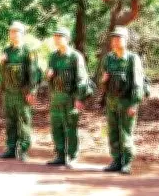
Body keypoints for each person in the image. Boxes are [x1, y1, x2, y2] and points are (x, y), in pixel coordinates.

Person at [99, 26, 145, 175]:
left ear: (126, 40)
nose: (115, 41)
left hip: (126, 102)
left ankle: (126, 162)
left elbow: (138, 83)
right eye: (114, 38)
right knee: (113, 133)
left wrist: (134, 103)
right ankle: (116, 161)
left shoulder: (132, 59)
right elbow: (103, 82)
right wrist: (103, 80)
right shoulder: (108, 59)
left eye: (119, 38)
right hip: (111, 101)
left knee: (125, 133)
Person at [46, 27, 91, 167]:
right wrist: (48, 75)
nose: (56, 39)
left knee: (70, 128)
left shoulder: (75, 56)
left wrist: (80, 98)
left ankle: (72, 156)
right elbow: (49, 77)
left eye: (59, 36)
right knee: (56, 127)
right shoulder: (53, 56)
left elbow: (82, 79)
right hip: (56, 98)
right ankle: (60, 155)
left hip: (70, 98)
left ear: (67, 39)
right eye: (55, 36)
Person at [0, 21, 39, 162]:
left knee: (23, 121)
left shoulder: (28, 52)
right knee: (10, 121)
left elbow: (33, 73)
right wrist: (1, 63)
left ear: (22, 34)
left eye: (16, 31)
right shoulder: (6, 51)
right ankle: (10, 149)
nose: (13, 34)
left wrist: (32, 92)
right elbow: (2, 73)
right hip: (8, 92)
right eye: (11, 31)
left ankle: (23, 150)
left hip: (22, 93)